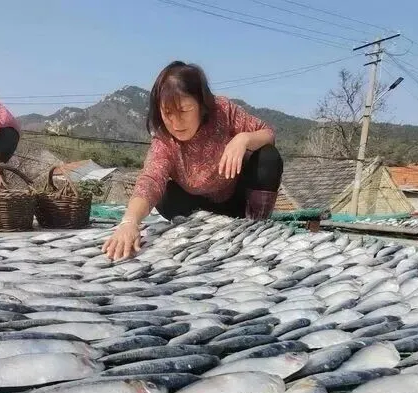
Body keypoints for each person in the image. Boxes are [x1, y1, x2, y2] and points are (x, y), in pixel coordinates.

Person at [102, 61, 283, 261]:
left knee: (268, 156)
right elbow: (151, 179)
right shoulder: (164, 140)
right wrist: (129, 222)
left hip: (238, 201)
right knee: (164, 195)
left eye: (185, 110)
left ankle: (255, 227)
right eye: (168, 113)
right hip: (196, 208)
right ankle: (205, 230)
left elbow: (268, 133)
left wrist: (244, 139)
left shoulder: (223, 111)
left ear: (202, 105)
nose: (176, 123)